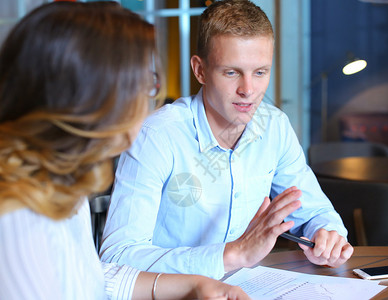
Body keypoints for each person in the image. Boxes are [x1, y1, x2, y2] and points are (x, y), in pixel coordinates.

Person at [0, 2, 250, 299]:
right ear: (92, 96)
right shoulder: (17, 217)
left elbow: (89, 276)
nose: (149, 97)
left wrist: (194, 284)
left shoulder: (61, 182)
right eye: (144, 83)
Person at [100, 0, 353, 280]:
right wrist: (233, 255)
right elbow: (117, 256)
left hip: (250, 288)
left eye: (260, 72)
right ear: (200, 70)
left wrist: (325, 233)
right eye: (232, 72)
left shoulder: (275, 126)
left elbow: (313, 209)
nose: (248, 90)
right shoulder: (157, 136)